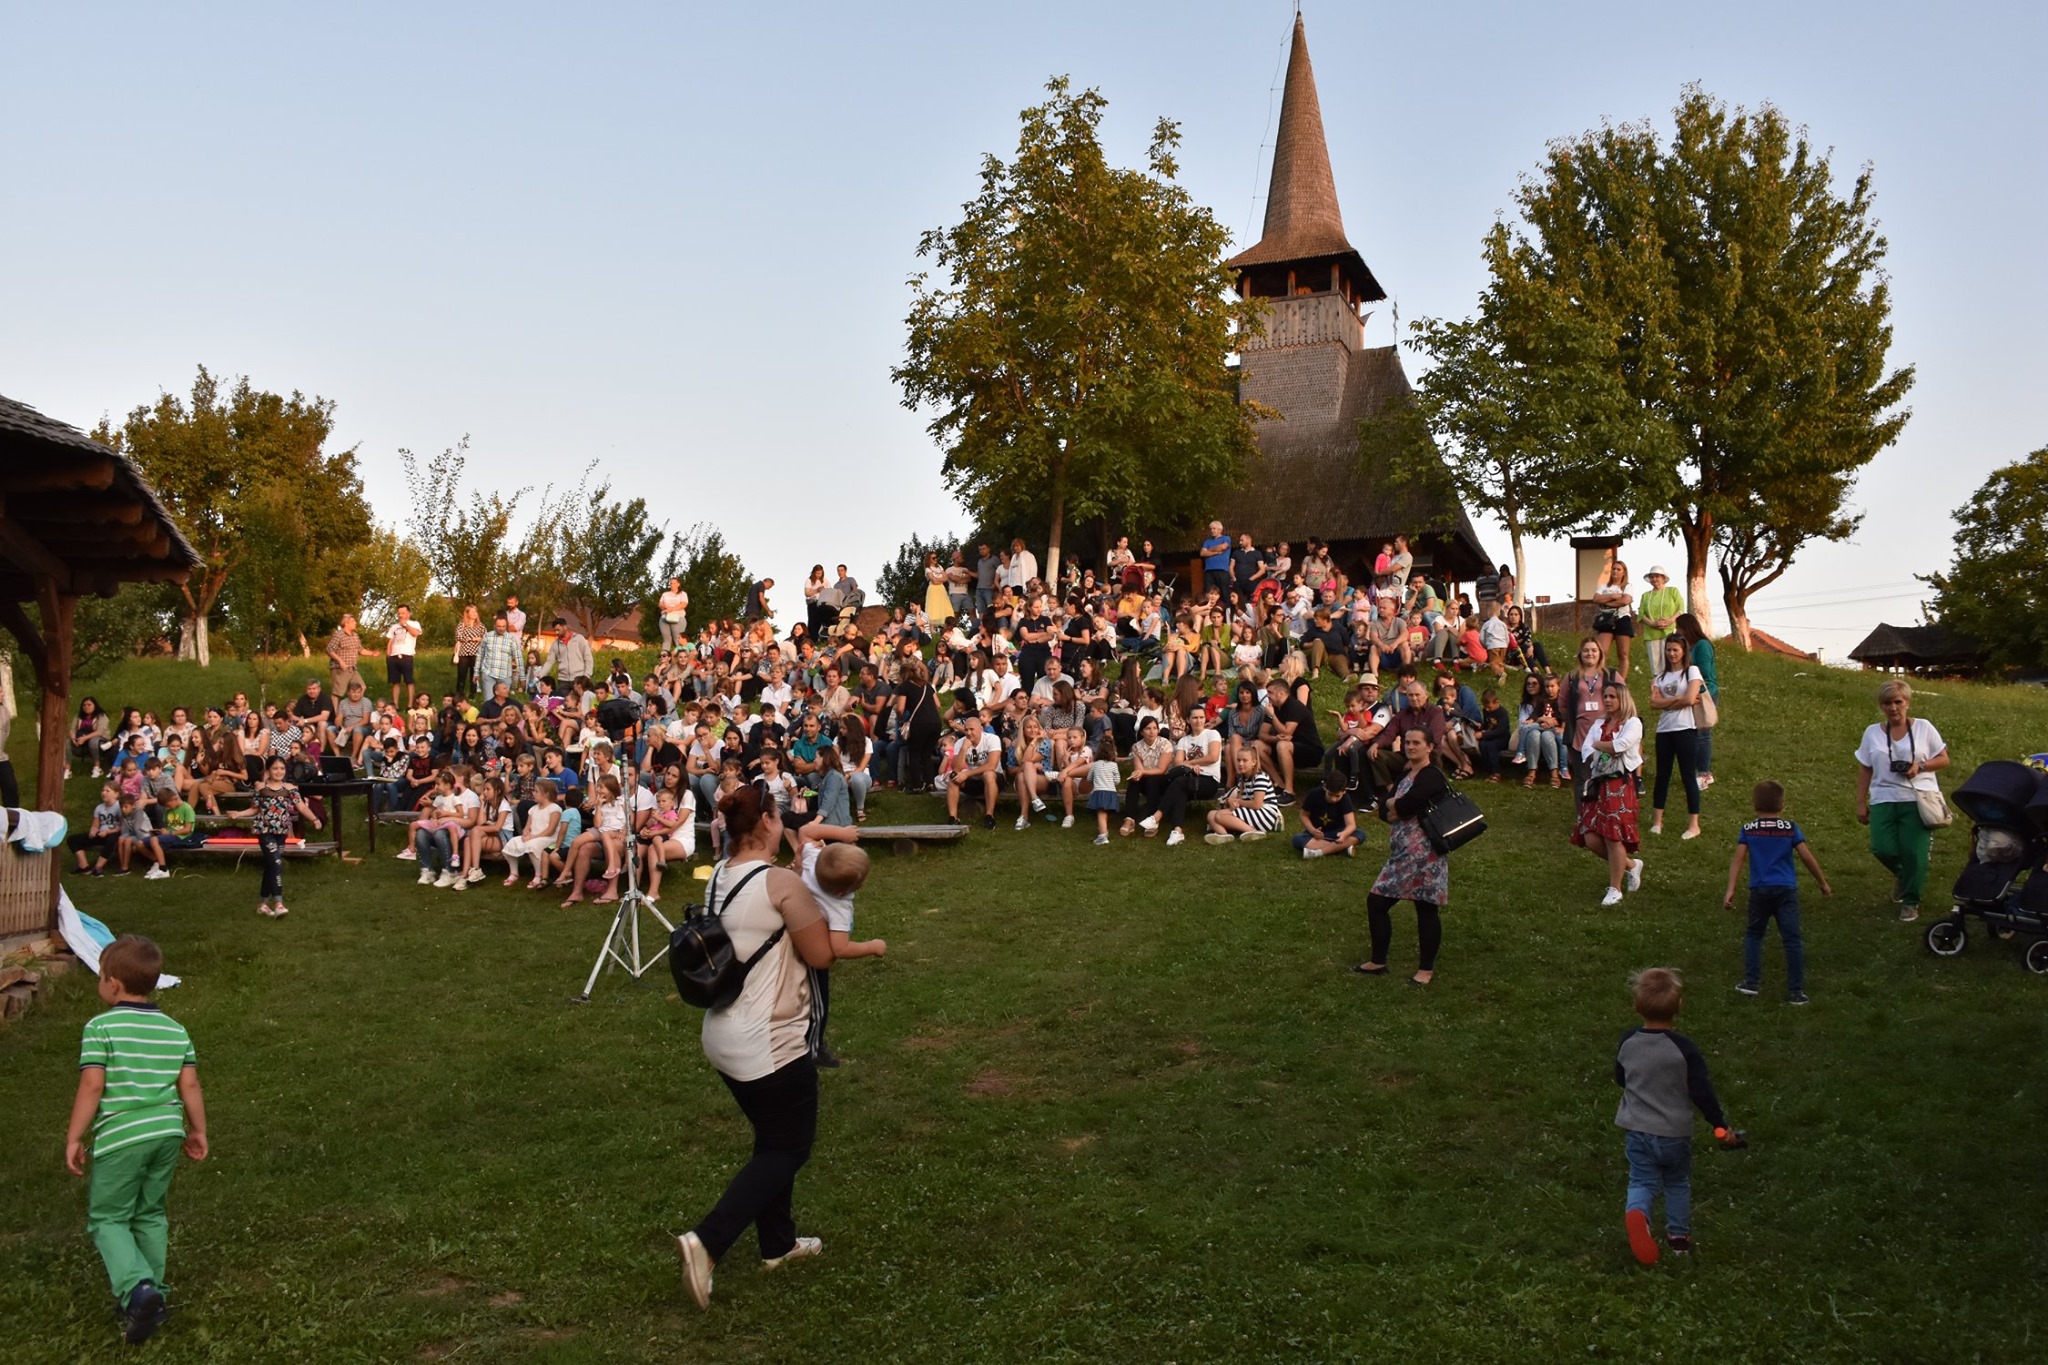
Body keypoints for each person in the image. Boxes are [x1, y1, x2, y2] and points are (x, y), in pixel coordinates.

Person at [674, 785, 835, 1312]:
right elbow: (820, 954)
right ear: (767, 823)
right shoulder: (780, 882)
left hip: (722, 1033)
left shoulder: (719, 874)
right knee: (788, 1147)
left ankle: (779, 1245)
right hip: (770, 1042)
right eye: (778, 814)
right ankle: (707, 1242)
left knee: (772, 1141)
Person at [63, 935, 208, 1346]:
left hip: (122, 1137)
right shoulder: (174, 1029)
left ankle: (138, 1288)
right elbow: (191, 1085)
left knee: (108, 1218)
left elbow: (92, 1087)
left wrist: (75, 1137)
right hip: (166, 1132)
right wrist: (197, 1130)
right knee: (149, 1213)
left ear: (111, 983)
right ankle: (150, 1295)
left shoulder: (100, 1027)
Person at [1612, 967, 1736, 1265]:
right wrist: (1720, 1125)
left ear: (1636, 1006)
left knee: (1641, 1181)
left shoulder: (1628, 1041)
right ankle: (1678, 1239)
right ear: (1679, 1007)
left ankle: (1639, 1212)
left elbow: (1621, 1077)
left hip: (1638, 1130)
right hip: (1674, 1134)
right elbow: (1701, 1093)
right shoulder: (1684, 1050)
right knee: (1677, 1182)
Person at [1354, 727, 1449, 985]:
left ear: (1430, 747)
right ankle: (1378, 960)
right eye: (1407, 742)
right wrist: (1393, 804)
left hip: (1425, 854)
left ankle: (1425, 970)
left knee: (1426, 908)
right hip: (1401, 853)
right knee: (1377, 902)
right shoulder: (1406, 773)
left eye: (1417, 742)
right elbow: (1385, 808)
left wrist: (1395, 804)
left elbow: (1404, 805)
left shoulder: (1432, 776)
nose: (1411, 746)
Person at [1725, 780, 1832, 1005]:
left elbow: (1738, 859)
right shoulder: (1790, 829)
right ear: (1782, 805)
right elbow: (1806, 856)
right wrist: (1822, 882)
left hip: (1759, 889)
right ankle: (1796, 991)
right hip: (1786, 890)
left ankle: (1751, 983)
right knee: (1792, 940)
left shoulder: (1749, 829)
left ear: (1754, 804)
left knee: (1754, 935)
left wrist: (1731, 889)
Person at [1853, 679, 1950, 922]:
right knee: (1881, 848)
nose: (1893, 707)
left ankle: (1910, 901)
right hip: (1883, 798)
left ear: (1907, 702)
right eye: (1887, 703)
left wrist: (1921, 766)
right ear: (1881, 706)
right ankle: (1904, 877)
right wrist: (1861, 802)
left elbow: (1944, 759)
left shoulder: (1924, 728)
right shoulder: (1872, 732)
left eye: (1898, 702)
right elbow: (1865, 768)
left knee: (1913, 853)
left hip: (1917, 798)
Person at [1572, 681, 1646, 907]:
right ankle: (1632, 866)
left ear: (1622, 699)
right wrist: (1602, 746)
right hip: (1599, 784)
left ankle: (1615, 889)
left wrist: (1599, 744)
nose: (1607, 700)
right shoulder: (1598, 724)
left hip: (1620, 785)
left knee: (1613, 836)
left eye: (1612, 696)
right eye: (1606, 696)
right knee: (1590, 837)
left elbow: (1621, 745)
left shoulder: (1633, 723)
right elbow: (1586, 750)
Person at [1645, 636, 1705, 839]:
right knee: (1662, 775)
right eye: (1669, 650)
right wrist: (1680, 699)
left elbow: (1691, 698)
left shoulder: (1692, 671)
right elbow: (1653, 703)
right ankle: (1657, 821)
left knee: (1688, 775)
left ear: (1683, 651)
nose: (1671, 654)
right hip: (1664, 730)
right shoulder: (1660, 677)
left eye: (1675, 650)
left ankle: (1694, 825)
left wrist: (1668, 701)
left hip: (1686, 729)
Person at [1203, 746, 1281, 844]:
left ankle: (1253, 832)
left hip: (1265, 815)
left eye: (1244, 760)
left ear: (1254, 762)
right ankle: (1224, 836)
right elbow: (1240, 801)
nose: (1240, 763)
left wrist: (1237, 802)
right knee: (1211, 815)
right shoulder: (1243, 779)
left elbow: (1257, 804)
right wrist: (1233, 804)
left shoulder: (1261, 777)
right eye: (1238, 760)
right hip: (1251, 812)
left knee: (1219, 815)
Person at [1675, 613, 1718, 789]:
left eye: (1679, 628)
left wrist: (1699, 693)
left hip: (1704, 694)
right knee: (1692, 734)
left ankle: (1704, 773)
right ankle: (1693, 771)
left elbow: (1706, 675)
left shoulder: (1702, 646)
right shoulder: (1690, 647)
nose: (1677, 631)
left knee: (1703, 734)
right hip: (1692, 694)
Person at [945, 714, 1003, 829]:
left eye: (972, 729)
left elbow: (991, 765)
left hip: (995, 779)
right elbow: (956, 768)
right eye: (966, 730)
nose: (968, 733)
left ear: (980, 729)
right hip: (973, 779)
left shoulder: (992, 739)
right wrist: (964, 749)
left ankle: (989, 816)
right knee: (953, 778)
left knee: (988, 774)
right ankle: (953, 818)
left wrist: (967, 773)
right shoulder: (961, 742)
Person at [1294, 768, 1360, 859]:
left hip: (1337, 833)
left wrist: (1344, 834)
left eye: (1337, 796)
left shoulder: (1345, 799)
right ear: (1325, 787)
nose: (1333, 799)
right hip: (1318, 833)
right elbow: (1304, 815)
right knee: (1298, 839)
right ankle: (1341, 848)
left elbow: (1351, 825)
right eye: (1330, 794)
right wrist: (1313, 830)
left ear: (1344, 791)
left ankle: (1318, 852)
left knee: (1360, 834)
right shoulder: (1314, 794)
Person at [1592, 560, 1636, 677]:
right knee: (1602, 651)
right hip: (1606, 619)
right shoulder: (1604, 586)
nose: (1615, 571)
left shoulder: (1627, 586)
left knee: (1623, 654)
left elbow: (1625, 600)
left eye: (1618, 569)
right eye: (1614, 568)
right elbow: (1596, 599)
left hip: (1622, 618)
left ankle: (1620, 682)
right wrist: (1612, 596)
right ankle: (1600, 678)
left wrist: (1607, 603)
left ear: (1624, 573)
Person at [1085, 733, 1121, 846]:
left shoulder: (1095, 765)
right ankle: (1104, 830)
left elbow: (1089, 778)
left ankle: (1103, 835)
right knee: (1104, 812)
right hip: (1111, 792)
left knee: (1100, 812)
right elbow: (1117, 780)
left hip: (1099, 791)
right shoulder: (1114, 765)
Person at [385, 604, 424, 708]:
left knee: (409, 681)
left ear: (408, 613)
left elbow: (415, 633)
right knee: (395, 682)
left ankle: (410, 704)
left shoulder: (414, 623)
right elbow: (390, 640)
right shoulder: (394, 626)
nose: (401, 615)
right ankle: (395, 705)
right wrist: (388, 654)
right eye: (399, 613)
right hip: (394, 656)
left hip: (407, 655)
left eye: (403, 613)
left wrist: (405, 625)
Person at [1637, 566, 1683, 652]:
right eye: (1652, 577)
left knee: (1670, 660)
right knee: (1655, 663)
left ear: (1663, 578)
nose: (1654, 579)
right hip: (1651, 633)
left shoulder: (1673, 591)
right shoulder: (1645, 595)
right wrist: (1652, 623)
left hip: (1670, 631)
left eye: (1657, 576)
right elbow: (1641, 614)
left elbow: (1680, 608)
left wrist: (1670, 620)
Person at [325, 613, 365, 703]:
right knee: (337, 693)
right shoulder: (339, 635)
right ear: (346, 623)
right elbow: (329, 649)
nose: (355, 623)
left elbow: (360, 650)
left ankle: (352, 710)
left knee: (361, 687)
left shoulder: (355, 636)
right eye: (353, 621)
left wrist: (372, 653)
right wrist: (340, 661)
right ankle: (334, 715)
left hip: (352, 668)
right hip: (339, 669)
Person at [452, 604, 485, 696]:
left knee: (474, 674)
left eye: (476, 612)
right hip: (463, 653)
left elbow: (485, 637)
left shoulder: (480, 626)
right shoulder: (462, 625)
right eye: (473, 612)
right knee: (461, 675)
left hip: (476, 653)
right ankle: (459, 694)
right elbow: (458, 636)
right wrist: (472, 638)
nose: (475, 614)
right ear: (467, 614)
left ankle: (472, 694)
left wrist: (480, 639)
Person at [1200, 521, 1231, 597]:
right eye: (1211, 529)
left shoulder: (1226, 538)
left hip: (1222, 570)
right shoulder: (1207, 541)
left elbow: (1223, 547)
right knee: (1209, 592)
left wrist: (1209, 550)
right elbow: (1202, 553)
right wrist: (1216, 552)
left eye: (1214, 528)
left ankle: (1226, 608)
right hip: (1209, 571)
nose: (1212, 530)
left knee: (1224, 592)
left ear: (1220, 529)